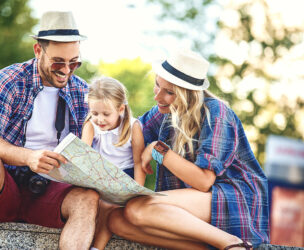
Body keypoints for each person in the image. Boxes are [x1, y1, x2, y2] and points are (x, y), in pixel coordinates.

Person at [0, 11, 100, 250]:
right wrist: (29, 157)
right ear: (38, 51)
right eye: (58, 62)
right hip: (6, 186)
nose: (66, 70)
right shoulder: (8, 80)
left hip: (50, 192)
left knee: (88, 198)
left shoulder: (82, 91)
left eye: (74, 62)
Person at [107, 48, 270, 250]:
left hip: (231, 199)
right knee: (116, 219)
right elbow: (136, 127)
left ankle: (232, 243)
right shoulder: (166, 112)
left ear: (189, 96)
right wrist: (136, 185)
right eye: (157, 84)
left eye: (169, 93)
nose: (158, 97)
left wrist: (158, 150)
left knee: (137, 209)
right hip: (193, 206)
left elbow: (203, 181)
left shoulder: (216, 113)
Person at [81, 76, 146, 250]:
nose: (99, 119)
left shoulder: (133, 127)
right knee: (87, 200)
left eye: (106, 114)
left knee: (108, 205)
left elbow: (139, 163)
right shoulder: (90, 125)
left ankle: (97, 247)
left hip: (125, 175)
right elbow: (83, 157)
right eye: (95, 113)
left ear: (120, 109)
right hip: (99, 173)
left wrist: (138, 189)